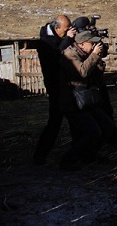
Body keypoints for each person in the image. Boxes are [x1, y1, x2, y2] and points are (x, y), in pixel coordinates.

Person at [58, 31, 115, 170]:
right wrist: (94, 55)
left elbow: (96, 72)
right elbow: (82, 72)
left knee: (107, 126)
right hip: (74, 101)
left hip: (88, 99)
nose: (95, 45)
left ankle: (90, 154)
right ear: (82, 44)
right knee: (92, 131)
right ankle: (68, 160)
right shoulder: (69, 55)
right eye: (92, 43)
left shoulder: (85, 53)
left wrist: (98, 58)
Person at [71, 16, 117, 147]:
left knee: (106, 113)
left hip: (97, 83)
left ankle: (110, 140)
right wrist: (94, 54)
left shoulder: (90, 43)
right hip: (82, 90)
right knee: (88, 122)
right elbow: (82, 71)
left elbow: (103, 53)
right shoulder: (73, 48)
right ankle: (83, 148)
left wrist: (97, 49)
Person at [33, 15, 77, 165]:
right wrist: (67, 40)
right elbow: (55, 57)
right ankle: (40, 155)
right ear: (56, 28)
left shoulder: (58, 36)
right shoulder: (44, 42)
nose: (66, 33)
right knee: (55, 121)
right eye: (65, 31)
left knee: (75, 120)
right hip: (56, 87)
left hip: (67, 85)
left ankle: (77, 151)